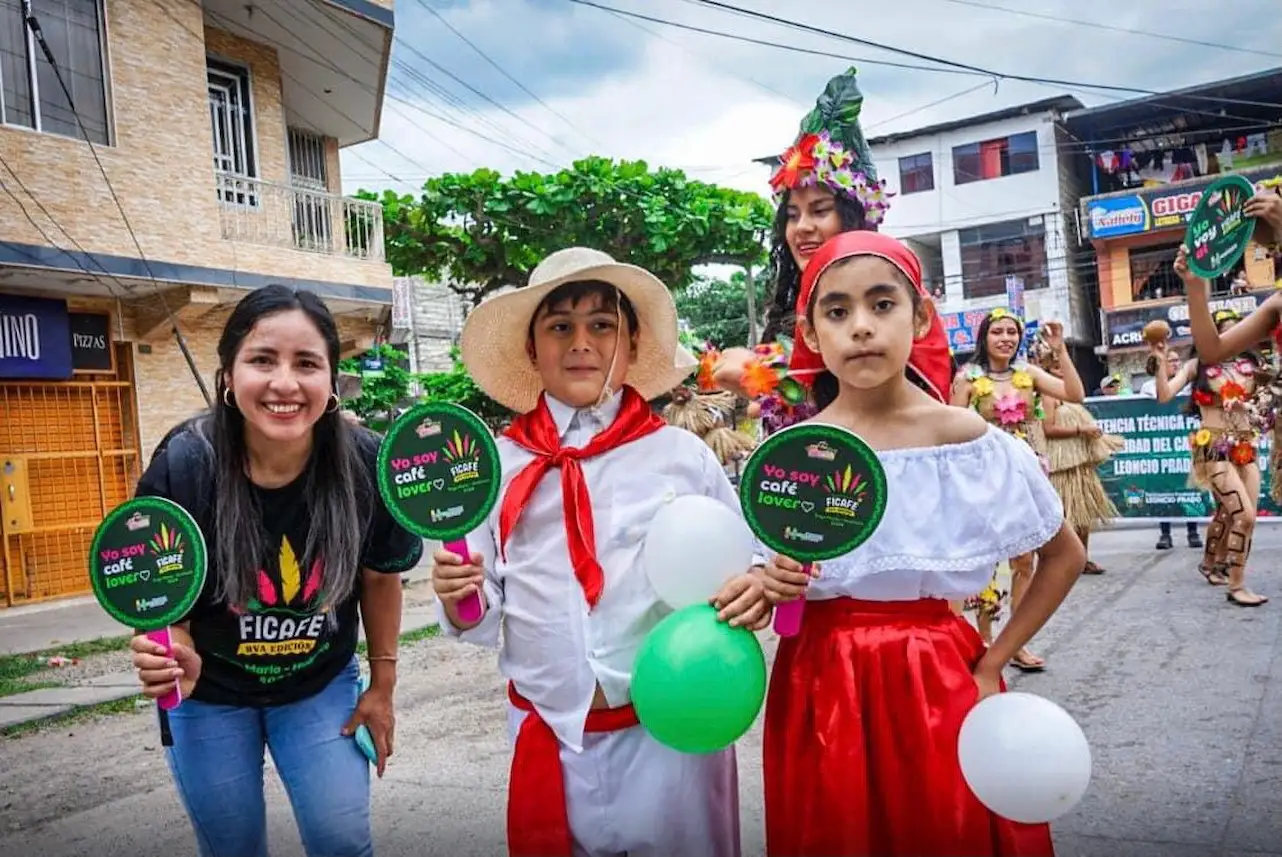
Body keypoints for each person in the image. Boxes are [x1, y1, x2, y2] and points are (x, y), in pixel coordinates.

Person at [431, 247, 770, 857]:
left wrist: (754, 589)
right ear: (533, 349)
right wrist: (460, 596)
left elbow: (742, 568)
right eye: (560, 326)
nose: (580, 342)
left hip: (670, 737)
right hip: (552, 738)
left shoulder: (680, 457)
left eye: (601, 325)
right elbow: (479, 613)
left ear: (632, 345)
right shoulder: (497, 468)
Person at [760, 230, 1084, 856]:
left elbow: (1063, 554)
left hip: (936, 677)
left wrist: (994, 661)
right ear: (809, 332)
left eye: (882, 305)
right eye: (837, 311)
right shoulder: (795, 456)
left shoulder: (966, 439)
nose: (861, 327)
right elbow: (789, 598)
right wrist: (772, 585)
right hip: (819, 685)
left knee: (942, 825)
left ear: (922, 315)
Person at [128, 285, 424, 857]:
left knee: (342, 842)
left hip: (319, 687)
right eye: (262, 360)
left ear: (332, 382)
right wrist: (170, 645)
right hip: (208, 693)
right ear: (228, 374)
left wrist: (382, 688)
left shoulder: (365, 462)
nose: (284, 383)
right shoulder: (187, 463)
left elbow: (379, 576)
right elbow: (156, 590)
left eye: (307, 364)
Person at [707, 67, 954, 427]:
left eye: (820, 210)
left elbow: (885, 402)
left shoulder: (899, 299)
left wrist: (769, 379)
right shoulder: (788, 312)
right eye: (792, 215)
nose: (803, 227)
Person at [951, 308, 1085, 671]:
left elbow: (1075, 394)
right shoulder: (968, 377)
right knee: (985, 560)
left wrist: (1060, 350)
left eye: (1012, 332)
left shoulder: (1029, 374)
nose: (1006, 338)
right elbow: (951, 427)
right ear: (984, 337)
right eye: (998, 332)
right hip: (982, 477)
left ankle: (1016, 642)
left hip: (1024, 474)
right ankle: (984, 640)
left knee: (1025, 560)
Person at [1161, 251, 1269, 605]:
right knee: (1244, 514)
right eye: (1223, 330)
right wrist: (1159, 361)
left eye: (1235, 329)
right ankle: (1233, 584)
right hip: (1213, 447)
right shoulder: (1197, 365)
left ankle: (1220, 567)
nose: (1231, 335)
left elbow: (1266, 401)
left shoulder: (1253, 368)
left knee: (1237, 515)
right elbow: (1164, 395)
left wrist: (1255, 407)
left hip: (1244, 446)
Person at [1031, 330, 1122, 574]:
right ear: (1051, 367)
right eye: (1059, 364)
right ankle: (1061, 561)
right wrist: (1082, 428)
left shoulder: (1068, 392)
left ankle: (1081, 559)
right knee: (1065, 517)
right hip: (1062, 466)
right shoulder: (1049, 394)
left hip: (1079, 462)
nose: (1064, 368)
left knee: (1083, 515)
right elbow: (1048, 428)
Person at [1140, 349, 1205, 551]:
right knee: (1163, 490)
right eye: (1171, 360)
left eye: (1178, 360)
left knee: (1189, 488)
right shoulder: (1149, 387)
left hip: (1185, 446)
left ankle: (1192, 532)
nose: (1176, 364)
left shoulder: (1187, 385)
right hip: (1161, 448)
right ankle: (1165, 534)